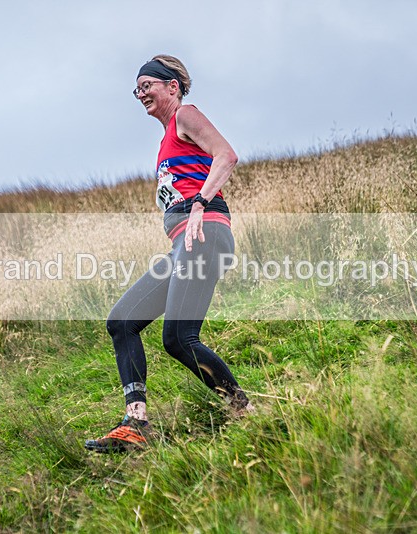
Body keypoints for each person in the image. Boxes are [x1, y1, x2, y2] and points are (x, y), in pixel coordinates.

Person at [84, 54, 254, 453]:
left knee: (179, 337)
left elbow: (226, 155)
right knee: (122, 321)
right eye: (137, 89)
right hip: (184, 243)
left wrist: (200, 202)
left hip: (205, 233)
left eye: (148, 85)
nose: (141, 93)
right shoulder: (166, 139)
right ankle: (136, 423)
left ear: (172, 87)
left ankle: (242, 409)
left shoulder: (186, 115)